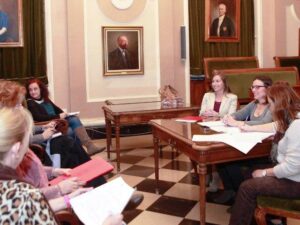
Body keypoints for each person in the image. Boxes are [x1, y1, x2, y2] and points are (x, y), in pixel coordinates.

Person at [0, 107, 123, 225]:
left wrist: (68, 199)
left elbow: (33, 206)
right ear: (16, 149)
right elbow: (31, 204)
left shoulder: (20, 193)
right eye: (28, 141)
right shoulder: (23, 194)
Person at [229, 82, 300, 225]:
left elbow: (291, 168)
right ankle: (258, 218)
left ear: (279, 104)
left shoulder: (296, 126)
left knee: (247, 187)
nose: (270, 107)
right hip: (292, 176)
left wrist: (264, 173)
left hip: (295, 181)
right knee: (249, 173)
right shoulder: (289, 120)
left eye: (271, 103)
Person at [214, 76, 273, 204]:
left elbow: (264, 122)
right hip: (248, 143)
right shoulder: (254, 104)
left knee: (231, 162)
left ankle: (242, 196)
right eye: (253, 87)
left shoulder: (272, 105)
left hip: (262, 149)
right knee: (221, 159)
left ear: (268, 88)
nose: (254, 90)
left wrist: (237, 123)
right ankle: (231, 191)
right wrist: (229, 117)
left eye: (258, 87)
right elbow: (239, 114)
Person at [25, 78, 105, 155]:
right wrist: (59, 116)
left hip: (57, 122)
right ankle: (87, 148)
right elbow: (39, 118)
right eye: (30, 90)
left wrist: (65, 114)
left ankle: (85, 151)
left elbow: (58, 110)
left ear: (41, 89)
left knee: (73, 119)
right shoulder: (31, 103)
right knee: (72, 127)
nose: (33, 92)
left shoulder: (45, 99)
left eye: (35, 89)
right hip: (49, 126)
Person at [199, 70, 238, 192]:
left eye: (217, 81)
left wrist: (217, 114)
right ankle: (207, 173)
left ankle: (215, 177)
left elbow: (232, 116)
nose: (214, 84)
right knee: (204, 149)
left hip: (223, 129)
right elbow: (200, 113)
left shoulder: (232, 97)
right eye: (213, 81)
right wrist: (206, 113)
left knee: (216, 152)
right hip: (207, 128)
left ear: (224, 83)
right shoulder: (207, 95)